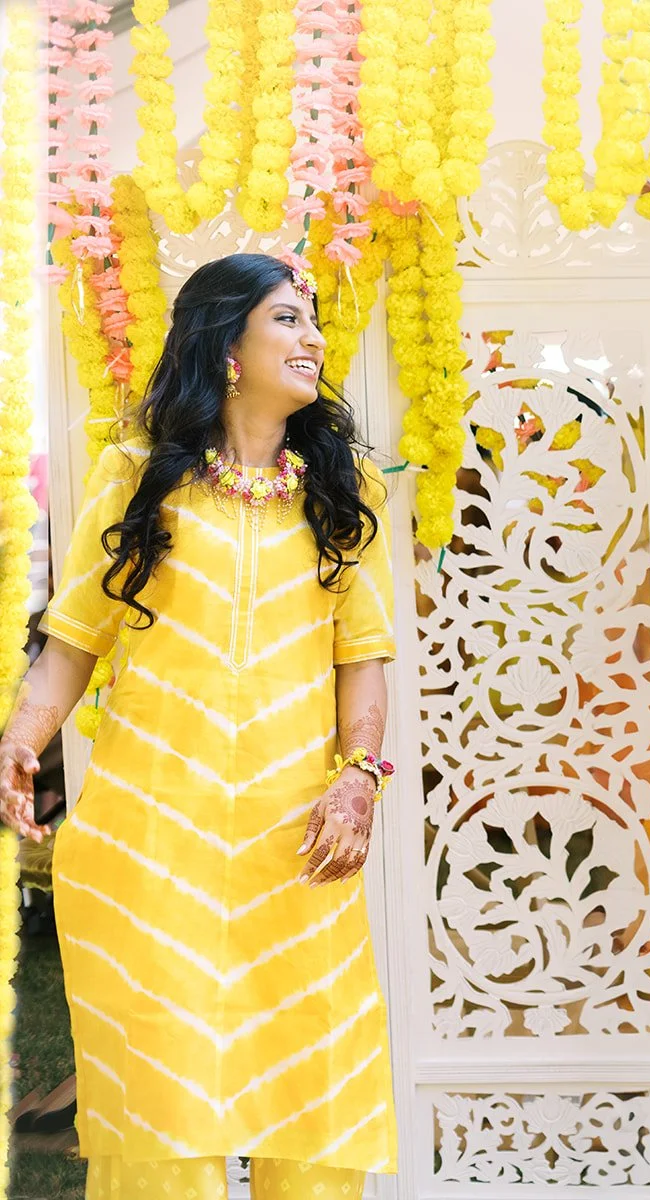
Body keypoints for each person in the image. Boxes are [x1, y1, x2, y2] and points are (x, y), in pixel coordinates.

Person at [0, 253, 398, 1196]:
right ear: (226, 344)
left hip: (296, 851)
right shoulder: (138, 476)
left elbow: (364, 664)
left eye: (312, 322)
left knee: (315, 1098)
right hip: (150, 849)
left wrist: (359, 777)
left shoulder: (342, 493)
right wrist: (22, 736)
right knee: (160, 1113)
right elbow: (73, 642)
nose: (314, 340)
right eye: (288, 321)